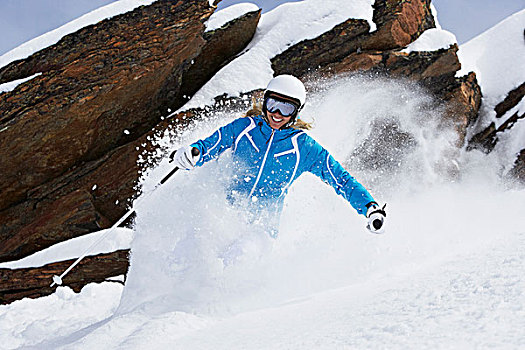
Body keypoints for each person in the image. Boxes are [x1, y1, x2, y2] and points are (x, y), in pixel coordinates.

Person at [171, 75, 386, 237]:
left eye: (286, 109)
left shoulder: (304, 148)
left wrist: (370, 207)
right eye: (273, 105)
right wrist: (191, 154)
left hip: (259, 234)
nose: (277, 114)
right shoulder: (244, 128)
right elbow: (211, 145)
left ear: (296, 112)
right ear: (264, 103)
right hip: (221, 219)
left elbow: (341, 179)